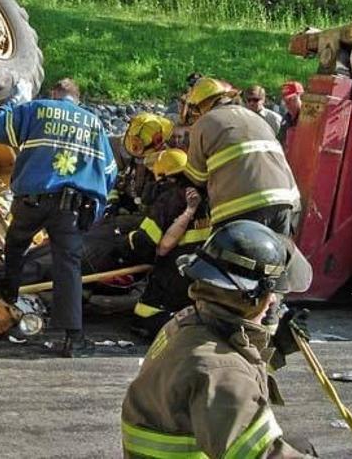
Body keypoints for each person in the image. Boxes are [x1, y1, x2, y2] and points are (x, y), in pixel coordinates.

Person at [121, 220, 315, 458]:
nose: (275, 301)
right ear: (254, 296)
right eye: (272, 293)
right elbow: (259, 453)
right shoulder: (220, 369)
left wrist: (278, 348)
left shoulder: (188, 322)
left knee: (299, 445)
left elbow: (228, 378)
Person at [0, 77, 118, 357]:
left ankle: (8, 301)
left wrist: (16, 100)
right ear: (78, 99)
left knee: (16, 246)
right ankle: (74, 338)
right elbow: (109, 172)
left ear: (54, 93)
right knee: (67, 267)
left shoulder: (38, 108)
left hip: (31, 201)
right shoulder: (93, 123)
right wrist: (94, 206)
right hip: (70, 208)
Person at [183, 77, 300, 234]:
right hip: (285, 202)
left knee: (230, 257)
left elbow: (196, 177)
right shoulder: (257, 118)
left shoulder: (204, 123)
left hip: (241, 208)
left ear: (201, 105)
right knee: (273, 256)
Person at [125, 148, 211, 338]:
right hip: (203, 274)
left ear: (166, 178)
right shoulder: (208, 196)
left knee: (143, 314)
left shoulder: (169, 199)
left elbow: (149, 243)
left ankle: (184, 326)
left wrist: (128, 241)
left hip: (175, 273)